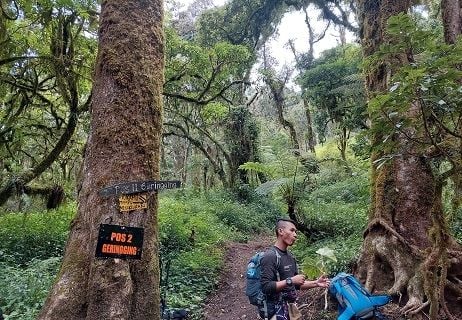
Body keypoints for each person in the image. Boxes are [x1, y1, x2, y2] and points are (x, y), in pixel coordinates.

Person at [260, 218, 330, 320]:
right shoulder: (270, 256)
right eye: (292, 230)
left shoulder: (290, 256)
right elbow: (266, 287)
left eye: (296, 232)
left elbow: (296, 285)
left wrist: (316, 283)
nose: (295, 235)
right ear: (281, 231)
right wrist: (290, 280)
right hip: (275, 311)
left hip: (290, 308)